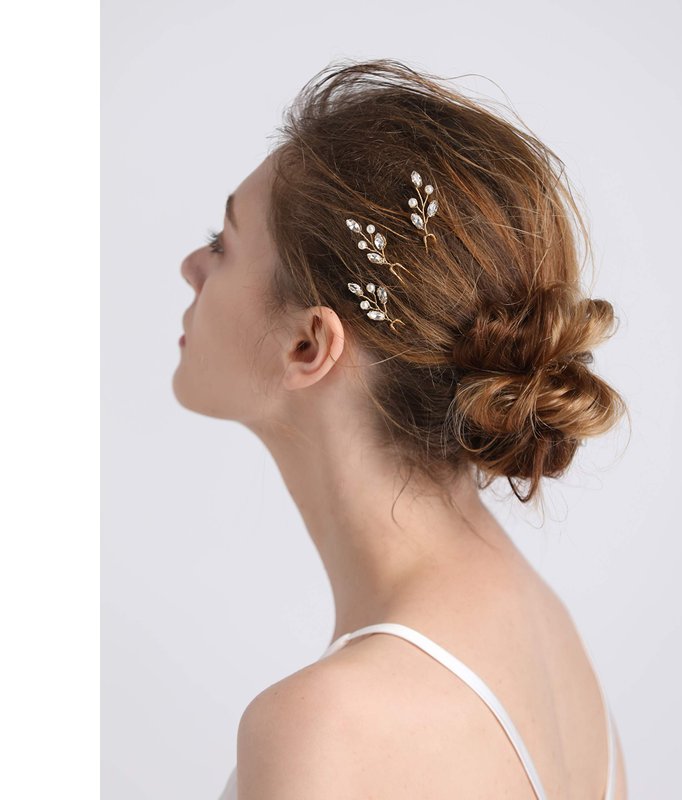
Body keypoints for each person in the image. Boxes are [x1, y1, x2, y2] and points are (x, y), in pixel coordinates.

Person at [173, 58, 630, 800]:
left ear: (308, 346)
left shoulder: (324, 726)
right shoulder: (548, 634)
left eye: (221, 243)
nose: (191, 266)